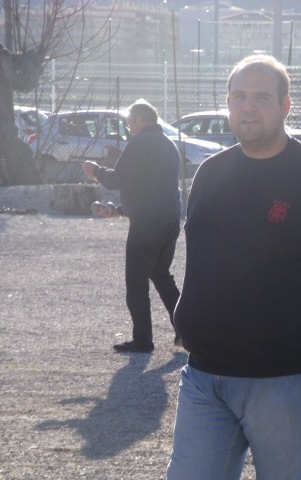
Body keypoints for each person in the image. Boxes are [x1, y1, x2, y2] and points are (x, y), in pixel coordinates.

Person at [167, 55, 301, 479]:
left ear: (285, 106)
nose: (248, 107)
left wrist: (292, 330)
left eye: (262, 97)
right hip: (205, 376)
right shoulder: (210, 174)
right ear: (228, 103)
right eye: (239, 97)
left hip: (286, 379)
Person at [82, 99, 181, 354]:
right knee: (161, 275)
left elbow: (119, 179)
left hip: (146, 224)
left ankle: (143, 340)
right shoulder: (168, 144)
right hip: (170, 220)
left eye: (129, 123)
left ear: (138, 120)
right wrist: (121, 210)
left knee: (136, 282)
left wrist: (96, 171)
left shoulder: (140, 143)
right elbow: (150, 187)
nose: (129, 128)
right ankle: (186, 331)